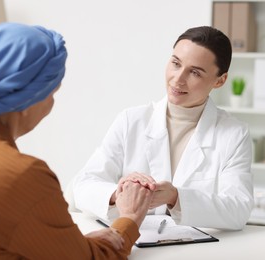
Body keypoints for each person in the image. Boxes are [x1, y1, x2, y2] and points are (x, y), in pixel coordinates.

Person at [0, 22, 154, 259]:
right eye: (52, 94)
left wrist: (70, 243)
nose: (52, 104)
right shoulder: (22, 175)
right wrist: (129, 219)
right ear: (27, 101)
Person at [73, 26, 254, 231]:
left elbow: (239, 209)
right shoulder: (131, 120)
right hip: (135, 242)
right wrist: (122, 194)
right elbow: (82, 186)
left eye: (194, 72)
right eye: (176, 63)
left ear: (220, 80)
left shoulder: (234, 134)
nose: (178, 79)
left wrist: (176, 197)